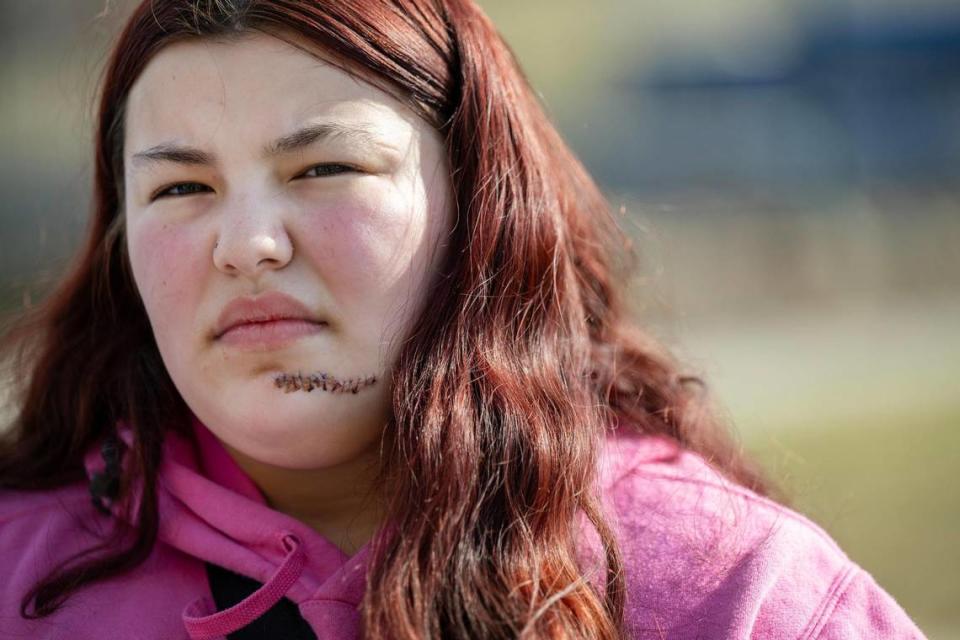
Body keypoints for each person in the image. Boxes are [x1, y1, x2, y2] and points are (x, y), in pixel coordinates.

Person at [0, 1, 928, 638]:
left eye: (324, 169)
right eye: (182, 186)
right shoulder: (19, 578)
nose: (246, 244)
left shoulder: (733, 593)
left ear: (480, 210)